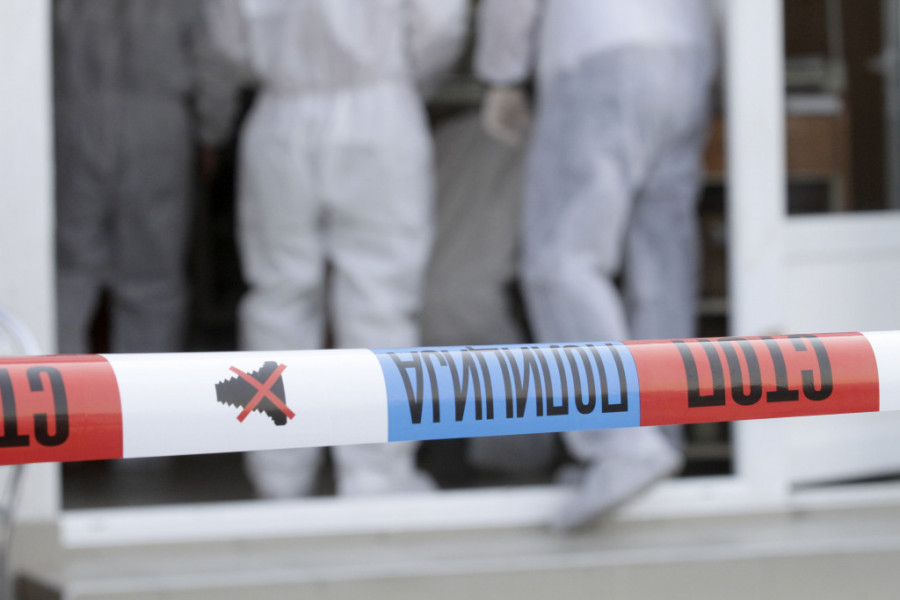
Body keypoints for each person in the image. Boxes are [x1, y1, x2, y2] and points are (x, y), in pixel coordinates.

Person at [204, 0, 469, 497]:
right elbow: (439, 24)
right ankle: (377, 476)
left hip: (281, 112)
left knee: (277, 301)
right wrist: (401, 75)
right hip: (381, 106)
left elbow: (228, 42)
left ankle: (277, 476)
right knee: (380, 301)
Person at [475, 0, 719, 530]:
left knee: (562, 259)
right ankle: (659, 438)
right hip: (690, 51)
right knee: (662, 263)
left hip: (597, 48)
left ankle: (621, 444)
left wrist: (503, 75)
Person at [53, 0, 235, 355]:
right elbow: (215, 56)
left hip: (73, 119)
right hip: (155, 126)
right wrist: (212, 130)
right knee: (150, 278)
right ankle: (143, 388)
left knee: (70, 272)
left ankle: (54, 381)